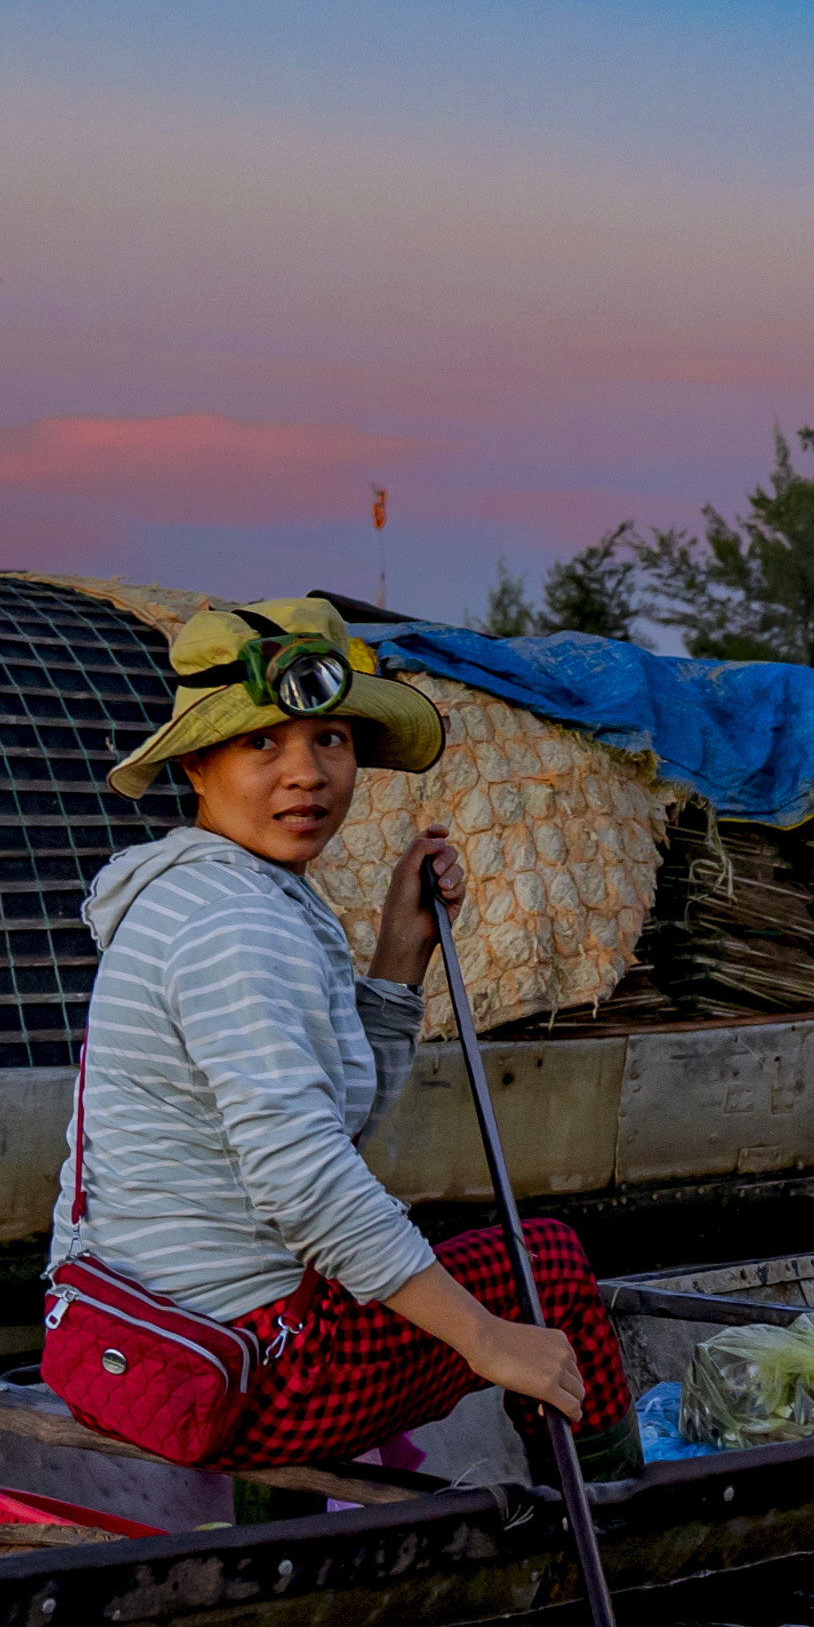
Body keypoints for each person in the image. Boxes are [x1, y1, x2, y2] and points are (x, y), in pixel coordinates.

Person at [57, 596, 634, 1470]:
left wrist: (399, 954)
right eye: (262, 744)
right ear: (198, 767)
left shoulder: (197, 891)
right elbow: (307, 1180)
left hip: (136, 1341)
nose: (307, 775)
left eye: (329, 740)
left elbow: (334, 1120)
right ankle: (614, 1512)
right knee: (545, 1266)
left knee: (419, 1259)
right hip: (248, 1374)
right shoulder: (239, 926)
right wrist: (485, 1339)